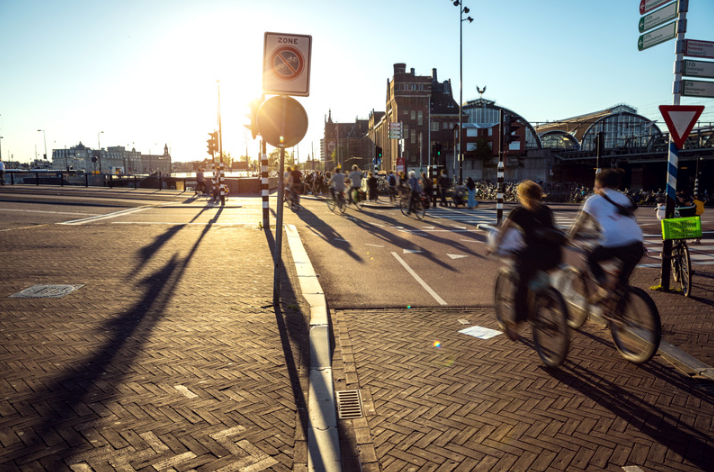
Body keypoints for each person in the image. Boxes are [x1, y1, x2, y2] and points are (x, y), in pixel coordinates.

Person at [494, 180, 563, 341]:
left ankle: (515, 326)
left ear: (522, 196)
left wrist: (495, 248)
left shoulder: (518, 212)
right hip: (554, 256)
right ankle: (546, 298)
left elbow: (503, 232)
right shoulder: (546, 210)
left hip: (533, 255)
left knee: (521, 287)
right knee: (540, 272)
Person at [569, 168, 644, 304]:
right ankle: (620, 316)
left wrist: (569, 238)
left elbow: (579, 224)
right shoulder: (624, 197)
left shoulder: (593, 200)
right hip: (637, 242)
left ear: (599, 185)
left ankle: (603, 289)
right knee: (622, 283)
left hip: (614, 241)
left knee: (591, 259)